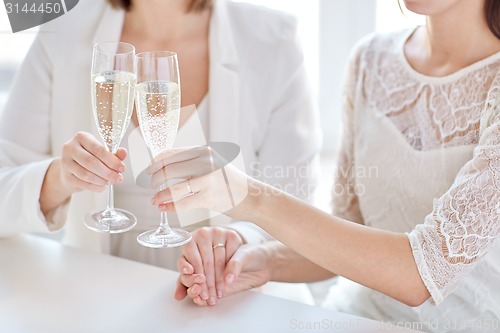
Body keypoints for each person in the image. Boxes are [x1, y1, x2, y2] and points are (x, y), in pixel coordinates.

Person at [148, 0, 499, 331]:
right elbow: (348, 231)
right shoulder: (372, 60)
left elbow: (421, 275)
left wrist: (248, 196)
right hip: (355, 316)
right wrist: (261, 261)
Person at [0, 0, 320, 299]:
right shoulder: (63, 29)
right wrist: (57, 179)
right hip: (95, 293)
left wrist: (242, 241)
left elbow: (299, 212)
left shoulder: (274, 38)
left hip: (231, 297)